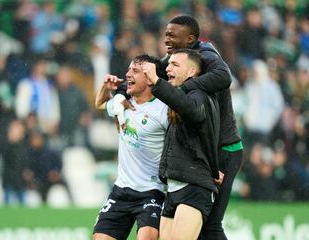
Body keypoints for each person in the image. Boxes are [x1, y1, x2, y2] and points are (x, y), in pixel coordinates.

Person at [161, 15, 244, 240]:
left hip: (225, 150)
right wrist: (120, 90)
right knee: (199, 229)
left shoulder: (206, 55)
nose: (166, 38)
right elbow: (148, 72)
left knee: (210, 226)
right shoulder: (177, 59)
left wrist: (183, 89)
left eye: (171, 35)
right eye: (166, 34)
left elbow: (224, 77)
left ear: (189, 39)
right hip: (206, 152)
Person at [143, 48, 221, 240]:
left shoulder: (199, 95)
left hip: (194, 185)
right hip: (174, 185)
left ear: (191, 72)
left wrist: (157, 82)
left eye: (175, 65)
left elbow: (193, 112)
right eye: (168, 64)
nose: (168, 68)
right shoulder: (180, 97)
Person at [93, 55, 168, 240]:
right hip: (122, 189)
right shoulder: (123, 104)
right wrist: (105, 87)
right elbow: (100, 104)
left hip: (153, 191)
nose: (127, 74)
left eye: (135, 71)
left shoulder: (164, 110)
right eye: (128, 69)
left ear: (150, 78)